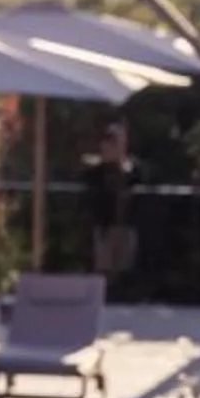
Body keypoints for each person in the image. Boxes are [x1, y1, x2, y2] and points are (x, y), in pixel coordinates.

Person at [83, 120, 135, 282]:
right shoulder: (96, 171)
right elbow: (90, 186)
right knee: (104, 267)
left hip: (126, 225)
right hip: (104, 225)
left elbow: (139, 184)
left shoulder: (132, 169)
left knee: (124, 266)